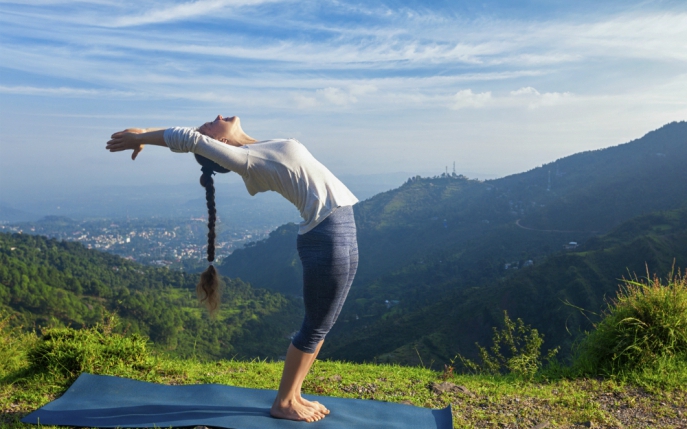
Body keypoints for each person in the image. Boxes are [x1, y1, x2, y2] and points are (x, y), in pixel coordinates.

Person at [106, 115, 359, 423]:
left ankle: (294, 394)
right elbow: (191, 139)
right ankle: (284, 401)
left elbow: (198, 138)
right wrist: (142, 134)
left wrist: (148, 135)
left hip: (339, 228)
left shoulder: (258, 147)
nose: (215, 118)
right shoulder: (247, 159)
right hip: (326, 235)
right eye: (209, 125)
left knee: (323, 323)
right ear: (220, 144)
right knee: (315, 326)